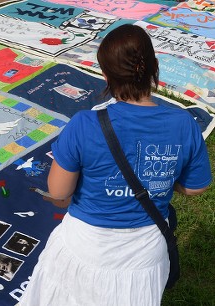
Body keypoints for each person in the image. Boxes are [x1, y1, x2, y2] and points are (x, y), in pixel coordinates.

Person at [20, 24, 212, 306]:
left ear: (105, 75)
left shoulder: (84, 124)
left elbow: (59, 192)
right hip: (145, 253)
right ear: (154, 68)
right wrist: (162, 180)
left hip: (86, 247)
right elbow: (197, 187)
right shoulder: (185, 124)